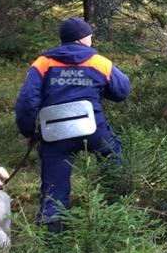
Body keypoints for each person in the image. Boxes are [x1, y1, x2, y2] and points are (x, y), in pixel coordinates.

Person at [15, 17, 130, 232]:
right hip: (93, 129)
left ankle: (52, 237)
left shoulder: (43, 63)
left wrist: (29, 131)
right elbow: (122, 91)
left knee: (53, 186)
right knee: (115, 161)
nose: (91, 40)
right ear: (81, 38)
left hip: (55, 134)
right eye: (89, 36)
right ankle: (120, 210)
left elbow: (27, 101)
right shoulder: (98, 62)